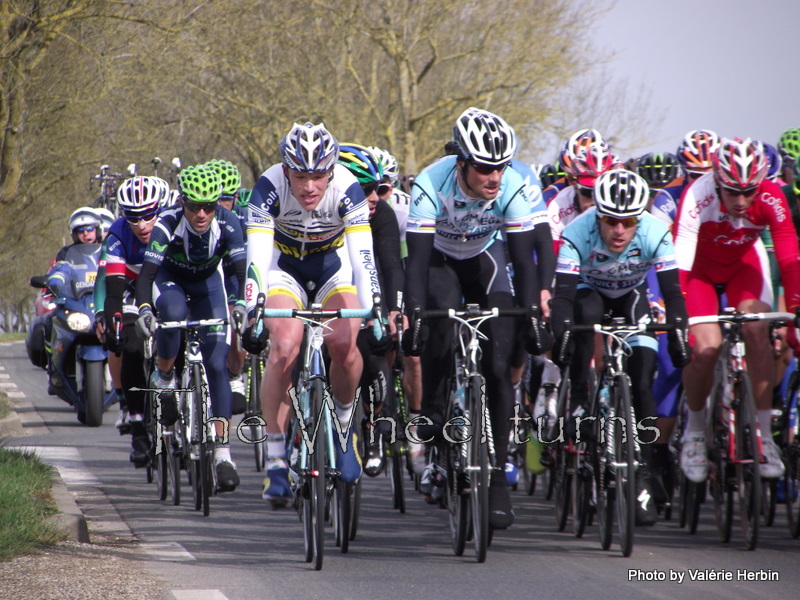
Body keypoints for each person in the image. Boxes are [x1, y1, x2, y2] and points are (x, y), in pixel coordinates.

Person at [403, 107, 550, 529]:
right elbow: (416, 262)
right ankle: (433, 409)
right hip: (440, 262)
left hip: (486, 259)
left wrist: (532, 317)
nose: (495, 179)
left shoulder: (515, 184)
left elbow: (524, 260)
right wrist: (415, 315)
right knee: (438, 321)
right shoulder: (432, 182)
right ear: (462, 162)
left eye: (500, 168)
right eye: (485, 169)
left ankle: (499, 479)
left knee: (499, 364)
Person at [244, 122, 382, 505]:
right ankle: (275, 459)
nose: (309, 187)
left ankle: (342, 427)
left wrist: (376, 309)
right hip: (281, 268)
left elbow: (362, 257)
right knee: (284, 347)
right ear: (286, 169)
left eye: (319, 176)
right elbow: (256, 260)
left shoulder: (348, 188)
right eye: (301, 176)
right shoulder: (268, 187)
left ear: (332, 172)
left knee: (345, 344)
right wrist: (252, 311)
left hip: (330, 268)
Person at [550, 169, 690, 526]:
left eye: (627, 222)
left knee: (642, 376)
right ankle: (581, 398)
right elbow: (564, 296)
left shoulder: (656, 232)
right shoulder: (577, 231)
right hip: (587, 293)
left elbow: (672, 293)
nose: (618, 231)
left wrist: (677, 330)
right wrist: (562, 332)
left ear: (639, 218)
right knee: (584, 316)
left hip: (631, 297)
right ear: (598, 215)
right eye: (611, 221)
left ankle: (641, 472)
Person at [674, 138, 800, 483]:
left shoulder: (772, 196)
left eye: (750, 192)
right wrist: (679, 315)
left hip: (743, 266)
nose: (742, 201)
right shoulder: (698, 195)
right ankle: (695, 433)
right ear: (717, 181)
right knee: (706, 347)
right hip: (698, 272)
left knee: (759, 332)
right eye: (733, 192)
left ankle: (762, 437)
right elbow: (681, 265)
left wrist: (795, 313)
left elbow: (789, 260)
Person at [135, 164, 247, 493]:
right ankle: (166, 377)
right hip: (170, 281)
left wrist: (240, 304)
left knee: (216, 365)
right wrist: (144, 310)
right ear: (182, 202)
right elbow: (146, 276)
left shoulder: (229, 223)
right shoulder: (167, 225)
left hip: (208, 285)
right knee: (172, 313)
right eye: (194, 206)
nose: (202, 214)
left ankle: (223, 454)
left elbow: (240, 272)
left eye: (209, 207)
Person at [94, 176, 169, 465]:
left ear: (160, 209)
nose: (141, 224)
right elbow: (109, 286)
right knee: (129, 345)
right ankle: (137, 426)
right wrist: (107, 316)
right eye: (133, 217)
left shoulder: (171, 227)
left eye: (149, 214)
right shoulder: (116, 236)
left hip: (164, 284)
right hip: (127, 289)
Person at [204, 159, 248, 413]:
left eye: (227, 199)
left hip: (231, 271)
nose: (221, 206)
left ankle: (235, 375)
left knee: (235, 318)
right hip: (206, 272)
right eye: (216, 199)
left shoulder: (242, 217)